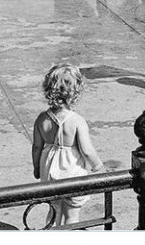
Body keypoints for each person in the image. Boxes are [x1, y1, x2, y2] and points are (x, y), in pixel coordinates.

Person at [32, 63, 105, 228]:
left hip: (49, 170)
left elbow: (37, 147)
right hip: (72, 173)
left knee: (53, 211)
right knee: (71, 214)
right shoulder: (77, 121)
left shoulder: (42, 119)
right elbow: (87, 150)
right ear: (75, 92)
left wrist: (37, 168)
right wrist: (98, 166)